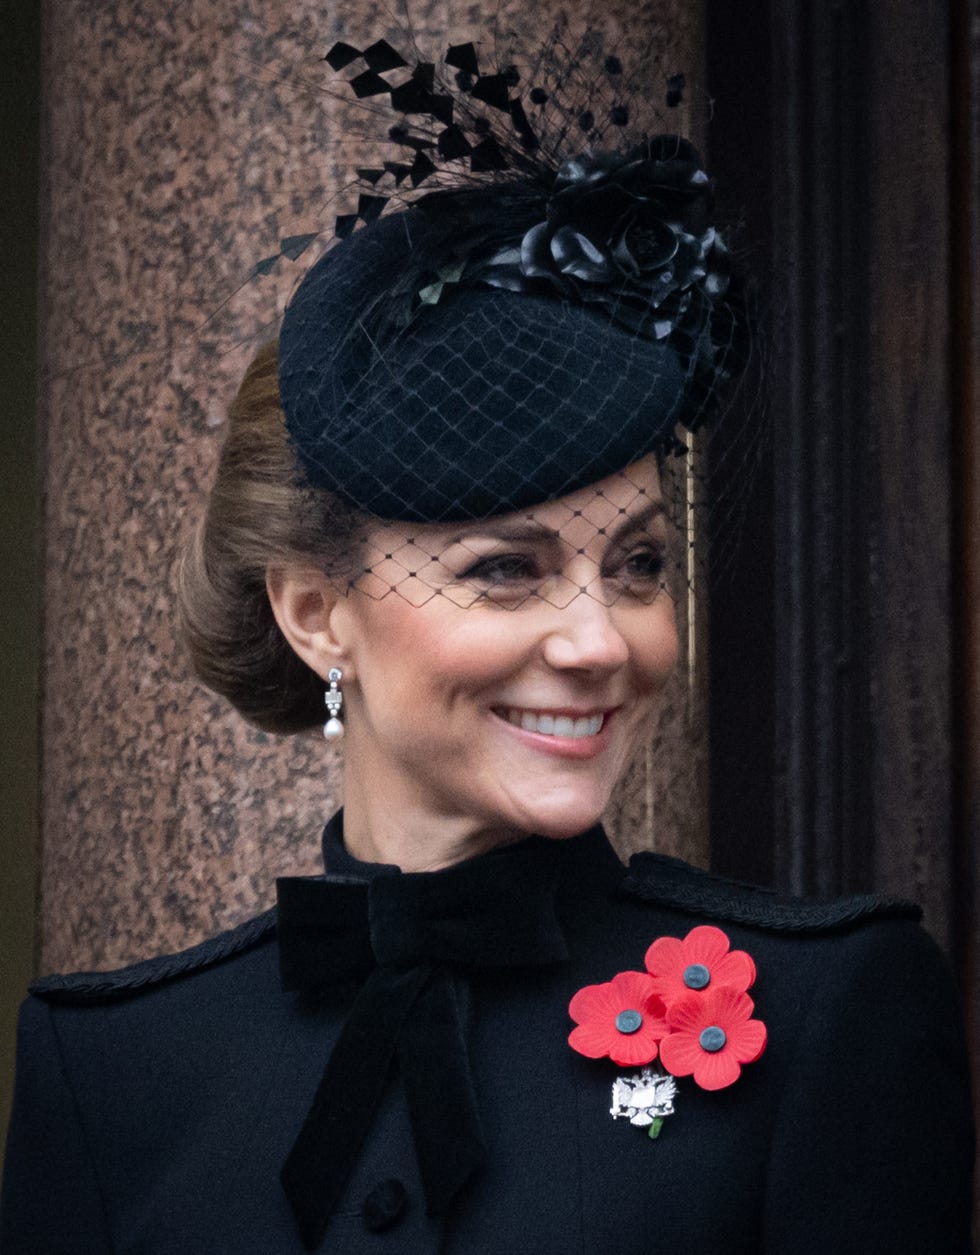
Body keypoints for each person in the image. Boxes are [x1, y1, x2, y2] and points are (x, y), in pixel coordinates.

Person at [1, 32, 974, 1255]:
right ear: (314, 612)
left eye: (635, 565)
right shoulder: (114, 1068)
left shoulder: (825, 1014)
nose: (594, 640)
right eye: (503, 570)